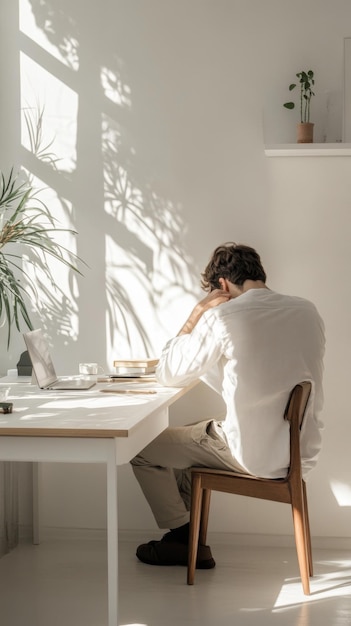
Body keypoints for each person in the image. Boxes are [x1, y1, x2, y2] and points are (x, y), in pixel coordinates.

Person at [131, 242, 325, 569]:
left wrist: (197, 313)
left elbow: (168, 373)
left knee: (141, 448)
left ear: (222, 285)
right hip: (301, 455)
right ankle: (189, 543)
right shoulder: (308, 311)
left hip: (251, 456)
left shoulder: (224, 315)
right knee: (191, 440)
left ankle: (182, 537)